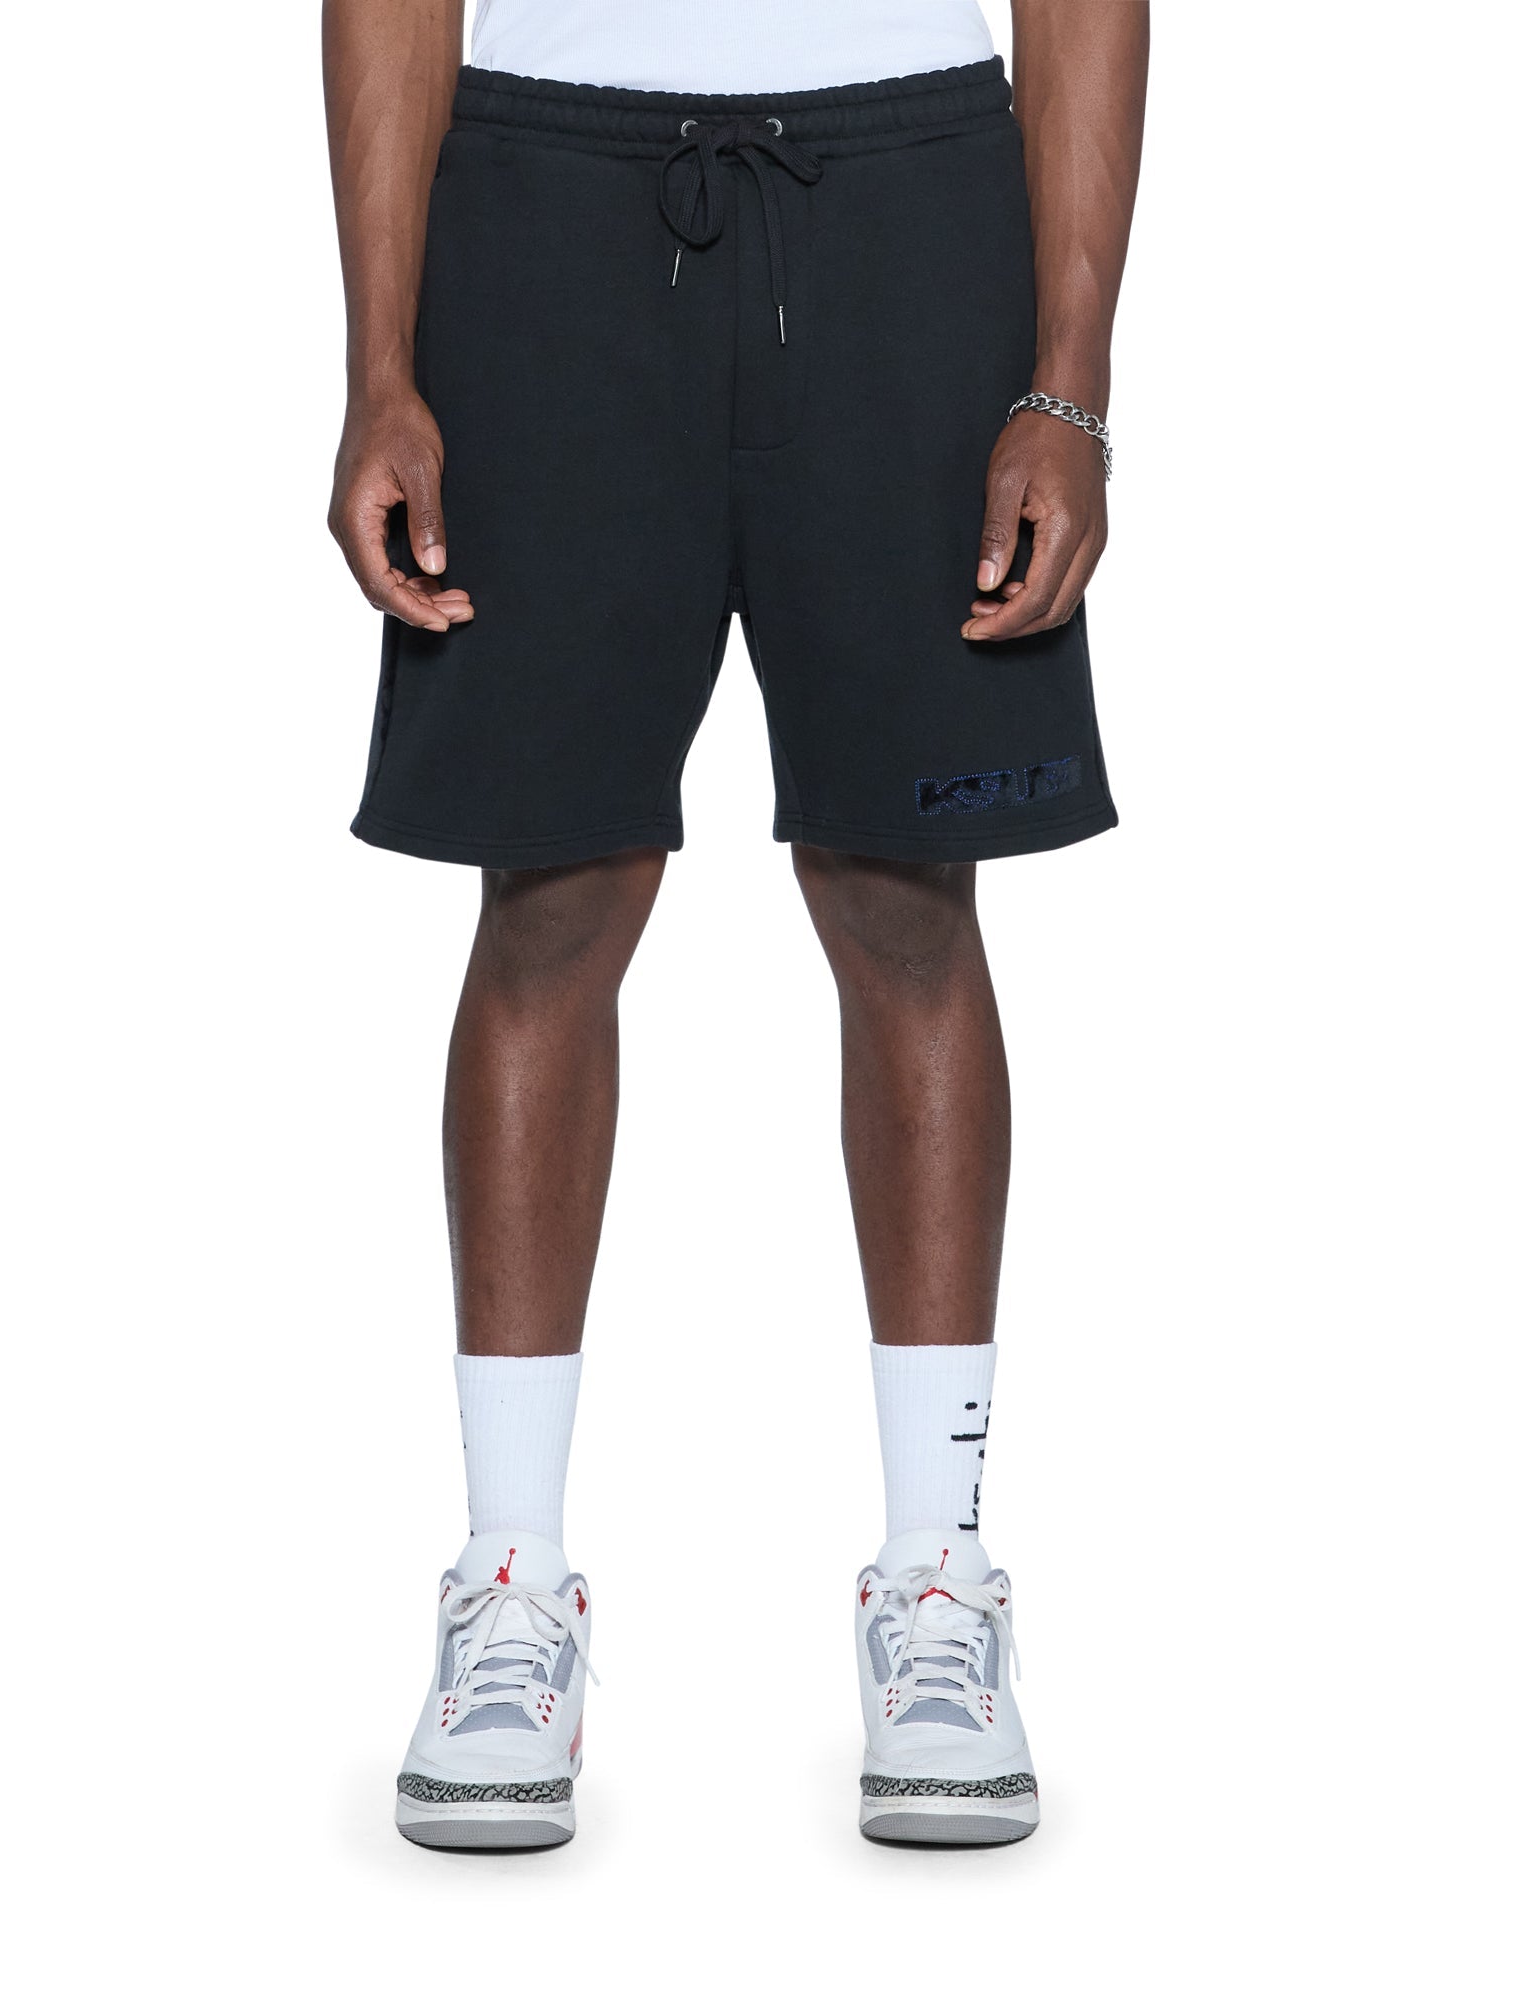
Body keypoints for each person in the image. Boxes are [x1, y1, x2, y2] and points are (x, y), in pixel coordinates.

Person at [323, 0, 1147, 1850]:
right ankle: (510, 1580)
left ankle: (938, 1578)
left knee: (903, 891)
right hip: (541, 200)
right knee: (552, 890)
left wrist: (1070, 380)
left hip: (913, 197)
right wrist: (379, 359)